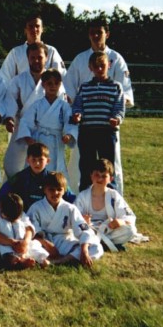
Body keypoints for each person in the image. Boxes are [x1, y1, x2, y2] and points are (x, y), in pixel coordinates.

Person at [64, 17, 133, 194]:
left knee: (110, 163)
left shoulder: (116, 58)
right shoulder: (80, 59)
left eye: (99, 32)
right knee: (82, 162)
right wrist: (76, 111)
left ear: (107, 34)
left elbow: (123, 92)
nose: (95, 36)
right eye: (92, 32)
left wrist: (116, 114)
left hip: (107, 125)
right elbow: (70, 90)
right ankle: (80, 197)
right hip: (86, 126)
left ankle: (113, 198)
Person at [71, 51, 125, 192]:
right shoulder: (84, 87)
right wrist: (77, 114)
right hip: (87, 132)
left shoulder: (116, 87)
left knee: (107, 166)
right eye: (96, 66)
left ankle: (110, 196)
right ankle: (85, 196)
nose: (99, 69)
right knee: (86, 166)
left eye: (102, 65)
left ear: (109, 65)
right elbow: (78, 105)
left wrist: (116, 119)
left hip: (106, 132)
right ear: (90, 67)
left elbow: (119, 108)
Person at [28, 171, 103, 268]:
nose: (55, 193)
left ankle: (57, 261)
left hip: (64, 241)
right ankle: (67, 259)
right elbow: (30, 232)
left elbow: (84, 230)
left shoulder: (70, 208)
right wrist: (46, 243)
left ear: (64, 190)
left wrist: (84, 251)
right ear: (44, 190)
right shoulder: (36, 208)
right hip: (44, 242)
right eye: (51, 189)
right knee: (30, 245)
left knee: (96, 247)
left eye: (59, 189)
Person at [73, 158, 148, 251]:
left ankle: (97, 243)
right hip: (90, 230)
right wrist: (83, 220)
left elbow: (128, 216)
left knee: (131, 230)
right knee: (74, 231)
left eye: (104, 176)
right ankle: (106, 243)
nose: (100, 179)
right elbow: (74, 217)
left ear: (110, 179)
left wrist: (121, 222)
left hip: (108, 230)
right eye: (97, 175)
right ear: (91, 175)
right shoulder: (82, 196)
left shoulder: (114, 196)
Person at [17, 68, 77, 176]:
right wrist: (27, 137)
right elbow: (25, 121)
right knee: (38, 165)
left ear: (60, 84)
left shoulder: (64, 106)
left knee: (56, 170)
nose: (53, 86)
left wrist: (68, 134)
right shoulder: (37, 104)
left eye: (56, 83)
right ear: (43, 85)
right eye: (49, 83)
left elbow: (70, 121)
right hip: (39, 140)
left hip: (56, 140)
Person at [2, 42, 48, 179]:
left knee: (44, 165)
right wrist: (9, 118)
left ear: (46, 58)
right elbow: (10, 101)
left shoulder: (53, 80)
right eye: (33, 57)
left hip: (45, 129)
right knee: (12, 166)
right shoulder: (18, 80)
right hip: (22, 127)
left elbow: (60, 103)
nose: (36, 60)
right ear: (28, 58)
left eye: (39, 57)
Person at [0, 192, 49, 269]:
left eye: (15, 218)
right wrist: (12, 242)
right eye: (9, 218)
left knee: (34, 244)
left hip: (22, 242)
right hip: (4, 241)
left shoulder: (21, 213)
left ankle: (41, 259)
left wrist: (25, 242)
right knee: (4, 227)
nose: (12, 220)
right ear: (1, 210)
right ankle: (16, 260)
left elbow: (29, 228)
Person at [0, 14, 65, 84]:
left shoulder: (51, 51)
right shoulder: (15, 53)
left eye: (37, 26)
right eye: (31, 26)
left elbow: (61, 77)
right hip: (22, 90)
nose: (34, 29)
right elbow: (5, 79)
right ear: (25, 30)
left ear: (42, 29)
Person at [1, 143, 53, 211]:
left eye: (41, 160)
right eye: (33, 160)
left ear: (48, 161)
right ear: (28, 160)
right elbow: (1, 196)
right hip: (23, 215)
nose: (37, 163)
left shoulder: (53, 179)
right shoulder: (19, 178)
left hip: (46, 215)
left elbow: (67, 200)